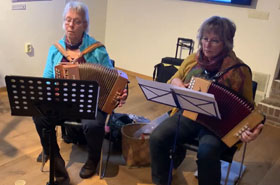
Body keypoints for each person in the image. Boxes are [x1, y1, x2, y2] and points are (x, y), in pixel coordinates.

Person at [149, 16, 264, 185]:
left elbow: (249, 110)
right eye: (204, 39)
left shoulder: (240, 71)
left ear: (226, 43)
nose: (207, 45)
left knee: (207, 152)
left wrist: (254, 129)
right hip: (190, 114)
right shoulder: (193, 60)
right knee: (157, 137)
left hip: (218, 124)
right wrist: (178, 84)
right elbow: (173, 79)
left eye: (214, 41)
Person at [33, 2, 127, 184]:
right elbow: (46, 78)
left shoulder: (97, 50)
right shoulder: (55, 49)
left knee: (93, 125)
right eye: (67, 20)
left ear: (85, 25)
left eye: (76, 21)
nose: (70, 25)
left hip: (91, 103)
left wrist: (120, 93)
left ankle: (93, 159)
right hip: (62, 102)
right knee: (39, 116)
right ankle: (57, 163)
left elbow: (115, 80)